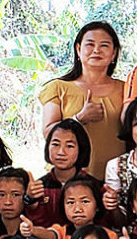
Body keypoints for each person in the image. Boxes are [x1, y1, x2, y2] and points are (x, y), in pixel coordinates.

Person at [38, 21, 125, 179]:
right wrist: (79, 119)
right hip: (68, 182)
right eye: (90, 44)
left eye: (104, 45)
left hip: (114, 181)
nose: (96, 50)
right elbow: (48, 133)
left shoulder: (126, 89)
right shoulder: (57, 88)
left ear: (114, 53)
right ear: (78, 49)